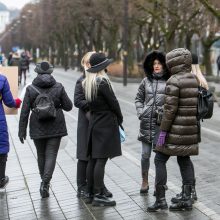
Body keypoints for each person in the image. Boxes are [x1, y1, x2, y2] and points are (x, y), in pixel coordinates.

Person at [147, 48, 200, 212]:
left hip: (174, 131)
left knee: (159, 160)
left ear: (173, 63)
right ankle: (187, 197)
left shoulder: (173, 81)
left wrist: (162, 132)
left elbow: (169, 110)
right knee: (184, 160)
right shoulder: (193, 79)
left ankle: (160, 199)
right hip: (190, 129)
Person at [18, 61, 73, 198]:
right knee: (51, 154)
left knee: (41, 154)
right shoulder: (59, 87)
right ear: (50, 72)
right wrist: (57, 103)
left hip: (37, 126)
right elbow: (69, 106)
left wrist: (21, 131)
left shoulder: (30, 89)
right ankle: (45, 183)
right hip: (56, 125)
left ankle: (44, 182)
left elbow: (24, 112)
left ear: (37, 72)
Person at [82, 52, 123, 206]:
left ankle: (90, 193)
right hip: (106, 124)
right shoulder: (103, 83)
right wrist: (120, 118)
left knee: (92, 159)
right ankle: (99, 195)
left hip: (95, 123)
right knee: (101, 160)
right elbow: (114, 103)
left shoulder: (88, 83)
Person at [74, 51, 113, 200]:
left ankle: (99, 186)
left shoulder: (100, 78)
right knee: (84, 155)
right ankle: (81, 187)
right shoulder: (81, 80)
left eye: (91, 63)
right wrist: (92, 106)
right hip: (86, 121)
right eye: (86, 63)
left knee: (97, 156)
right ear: (84, 64)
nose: (88, 65)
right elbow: (77, 100)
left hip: (98, 121)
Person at [171, 53, 208, 204]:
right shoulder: (201, 80)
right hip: (195, 124)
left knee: (183, 158)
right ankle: (190, 190)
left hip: (185, 125)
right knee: (185, 157)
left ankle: (189, 191)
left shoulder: (188, 80)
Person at [135, 51, 170, 194]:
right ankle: (144, 181)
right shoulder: (145, 81)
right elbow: (138, 99)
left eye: (159, 63)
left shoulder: (169, 81)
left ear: (163, 65)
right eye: (154, 63)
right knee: (145, 155)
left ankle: (159, 184)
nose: (156, 66)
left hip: (160, 125)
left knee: (160, 156)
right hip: (146, 123)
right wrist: (140, 112)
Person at [0, 74, 21, 188]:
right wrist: (17, 102)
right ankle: (1, 178)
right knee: (1, 148)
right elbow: (9, 102)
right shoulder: (2, 79)